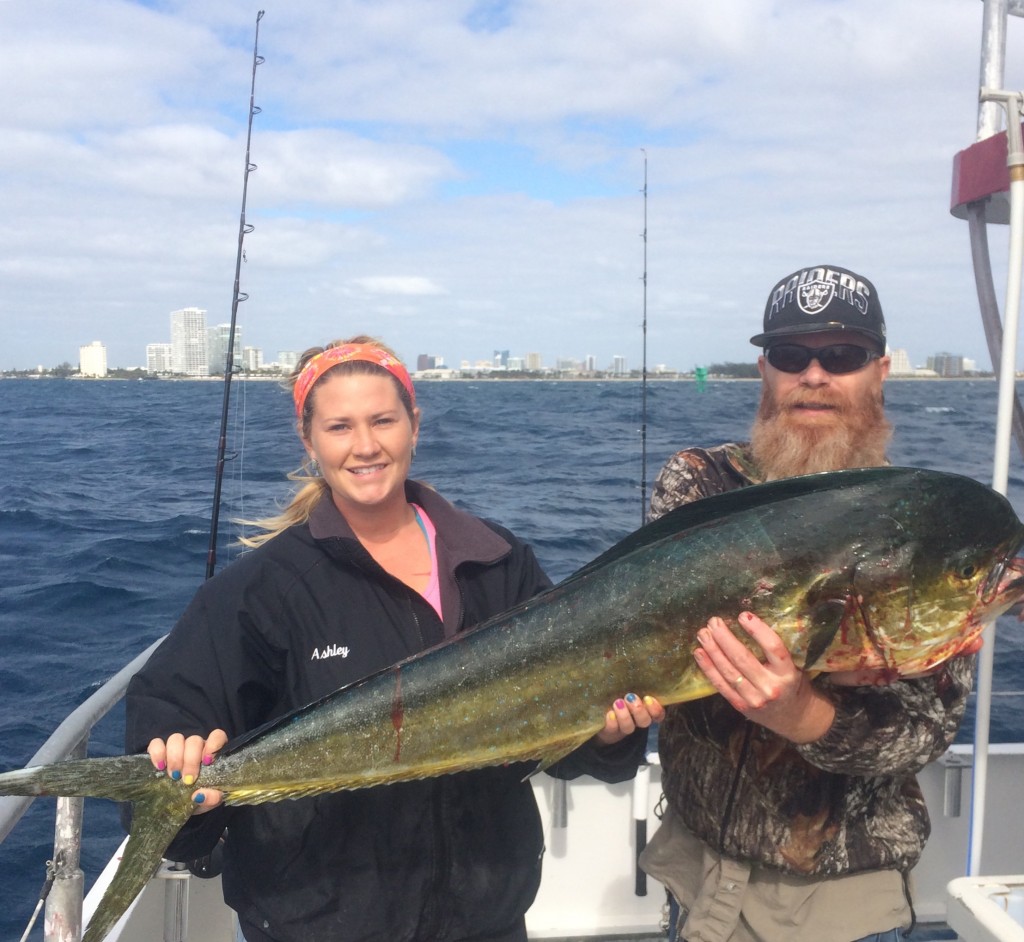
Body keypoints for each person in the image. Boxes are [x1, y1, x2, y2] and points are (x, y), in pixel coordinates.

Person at [124, 336, 650, 942]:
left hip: (487, 921)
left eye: (383, 421)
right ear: (310, 441)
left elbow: (561, 734)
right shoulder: (259, 591)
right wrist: (176, 779)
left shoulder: (498, 562)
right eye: (340, 426)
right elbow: (166, 735)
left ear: (414, 425)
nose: (366, 445)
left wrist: (609, 736)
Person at [621, 265, 978, 942]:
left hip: (843, 907)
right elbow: (655, 644)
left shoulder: (926, 527)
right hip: (694, 875)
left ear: (879, 370)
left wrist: (804, 713)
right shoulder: (700, 482)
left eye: (840, 357)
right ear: (765, 371)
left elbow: (922, 733)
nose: (813, 375)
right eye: (792, 356)